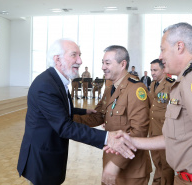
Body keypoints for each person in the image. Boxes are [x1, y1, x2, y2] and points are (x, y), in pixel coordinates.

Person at [106, 22, 192, 185]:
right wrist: (131, 141)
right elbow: (175, 138)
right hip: (187, 178)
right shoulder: (187, 78)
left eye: (163, 49)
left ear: (179, 46)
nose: (160, 56)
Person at [17, 39, 136, 185]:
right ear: (57, 59)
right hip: (42, 157)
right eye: (74, 55)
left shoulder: (56, 80)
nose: (80, 61)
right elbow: (64, 126)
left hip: (50, 153)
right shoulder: (46, 85)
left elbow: (60, 108)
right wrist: (107, 138)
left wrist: (84, 110)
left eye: (79, 55)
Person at [74, 45, 152, 185]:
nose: (103, 67)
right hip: (111, 162)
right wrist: (66, 119)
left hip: (131, 170)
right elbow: (97, 117)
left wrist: (115, 163)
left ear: (123, 64)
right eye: (102, 63)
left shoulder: (135, 89)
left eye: (107, 63)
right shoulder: (110, 89)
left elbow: (139, 131)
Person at [149, 59, 175, 185]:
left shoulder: (171, 84)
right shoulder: (153, 84)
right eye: (151, 70)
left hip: (164, 130)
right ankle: (157, 182)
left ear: (163, 70)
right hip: (153, 129)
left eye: (155, 70)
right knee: (157, 161)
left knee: (166, 164)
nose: (152, 73)